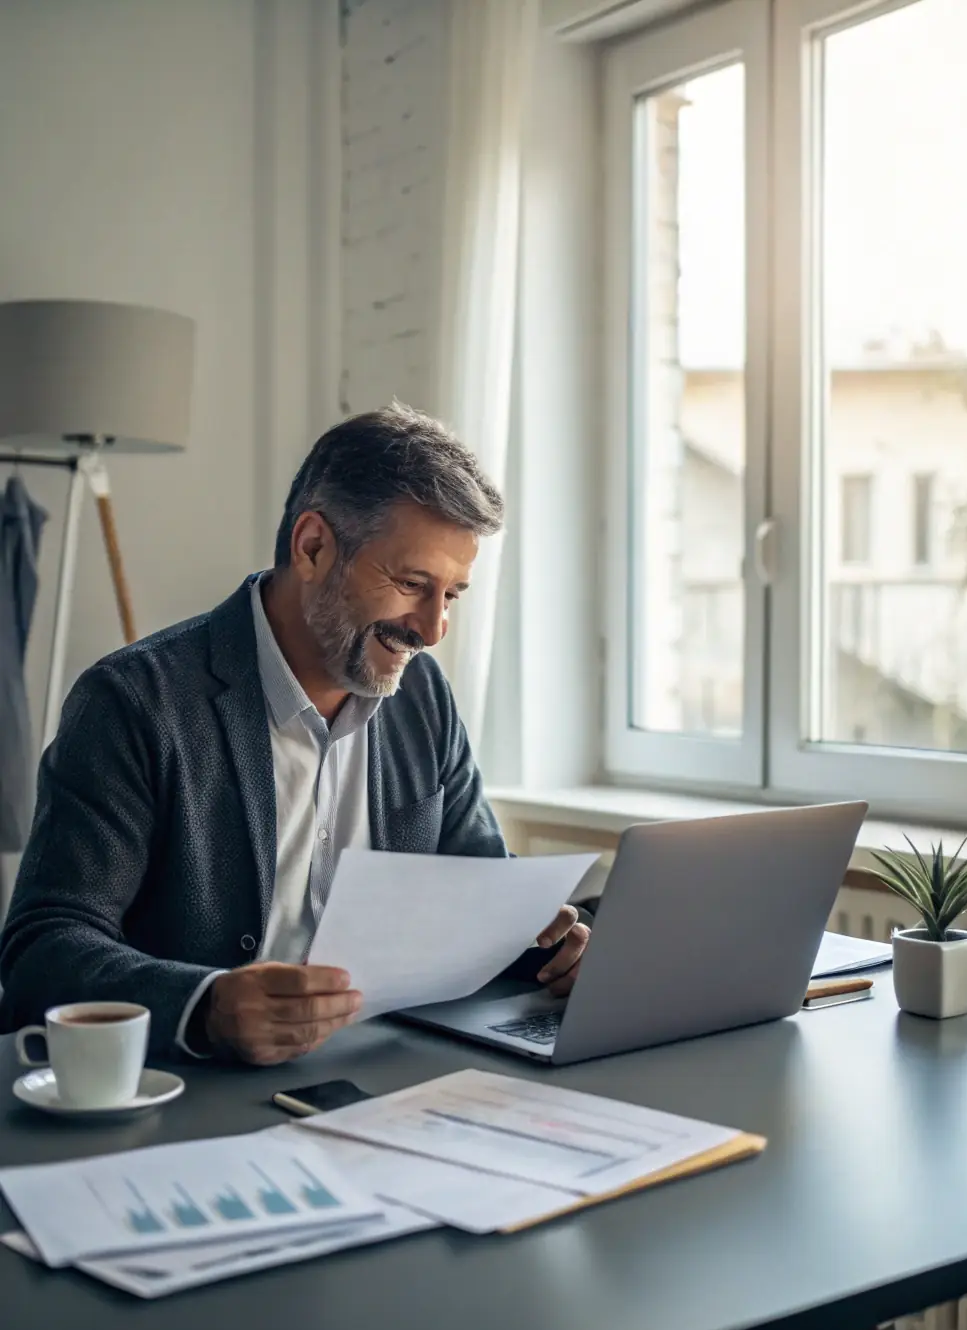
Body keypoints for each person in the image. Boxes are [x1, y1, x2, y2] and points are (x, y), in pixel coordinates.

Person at [0, 403, 589, 1064]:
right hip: (194, 1096)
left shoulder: (423, 697)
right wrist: (205, 1005)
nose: (432, 631)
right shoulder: (133, 701)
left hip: (389, 1078)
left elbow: (480, 890)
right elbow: (41, 950)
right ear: (312, 547)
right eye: (412, 583)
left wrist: (543, 947)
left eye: (451, 595)